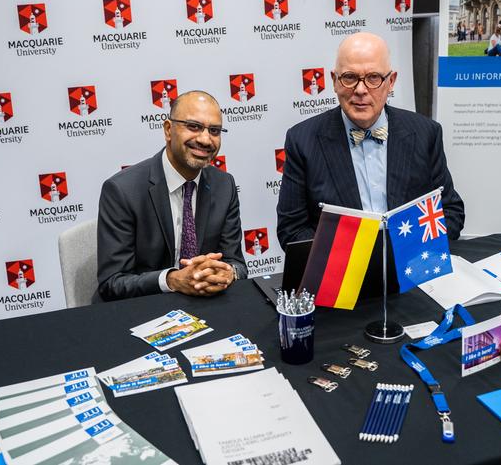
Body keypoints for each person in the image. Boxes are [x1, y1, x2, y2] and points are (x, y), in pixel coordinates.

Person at [276, 32, 464, 247]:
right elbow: (292, 231)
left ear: (391, 81)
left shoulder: (425, 133)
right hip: (342, 274)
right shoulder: (302, 140)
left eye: (374, 77)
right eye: (349, 77)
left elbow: (450, 211)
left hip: (412, 267)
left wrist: (410, 251)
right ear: (334, 81)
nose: (361, 90)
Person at [97, 90, 246, 301]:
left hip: (205, 306)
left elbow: (237, 263)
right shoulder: (121, 190)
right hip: (144, 308)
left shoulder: (225, 185)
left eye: (214, 130)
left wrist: (228, 272)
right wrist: (172, 280)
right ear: (168, 129)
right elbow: (112, 282)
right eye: (194, 126)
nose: (205, 139)